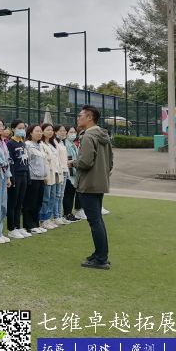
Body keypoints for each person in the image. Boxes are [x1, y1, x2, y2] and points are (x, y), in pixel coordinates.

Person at [70, 105, 113, 269]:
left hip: (88, 183)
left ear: (89, 117)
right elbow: (110, 162)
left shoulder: (88, 136)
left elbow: (86, 161)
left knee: (94, 221)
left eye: (80, 115)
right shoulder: (103, 135)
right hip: (100, 182)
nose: (78, 118)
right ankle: (100, 253)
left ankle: (101, 258)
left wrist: (72, 163)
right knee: (97, 220)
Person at [7, 120, 32, 239]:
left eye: (23, 128)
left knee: (20, 203)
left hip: (24, 175)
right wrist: (12, 177)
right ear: (13, 129)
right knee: (13, 202)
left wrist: (28, 176)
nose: (22, 130)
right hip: (16, 175)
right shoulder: (10, 144)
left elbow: (26, 162)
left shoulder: (23, 143)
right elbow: (10, 162)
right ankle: (11, 228)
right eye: (19, 128)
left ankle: (18, 226)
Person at [23, 124, 48, 234]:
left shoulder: (40, 145)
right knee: (30, 202)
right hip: (32, 178)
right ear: (30, 133)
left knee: (38, 202)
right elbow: (26, 162)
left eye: (40, 131)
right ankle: (29, 225)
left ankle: (36, 223)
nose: (39, 133)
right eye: (37, 131)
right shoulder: (27, 145)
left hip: (41, 178)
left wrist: (45, 176)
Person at [39, 123, 61, 230]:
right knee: (46, 198)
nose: (50, 132)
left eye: (51, 130)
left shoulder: (52, 144)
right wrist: (45, 175)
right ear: (42, 131)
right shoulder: (41, 144)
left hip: (56, 173)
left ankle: (48, 217)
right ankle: (43, 219)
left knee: (53, 196)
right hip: (48, 174)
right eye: (48, 130)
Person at [52, 125, 72, 226]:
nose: (63, 132)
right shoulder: (54, 143)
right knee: (57, 195)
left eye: (64, 131)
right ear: (55, 132)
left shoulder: (61, 142)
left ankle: (59, 215)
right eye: (61, 131)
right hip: (58, 172)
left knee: (61, 195)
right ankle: (56, 216)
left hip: (64, 171)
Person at [62, 127, 82, 221]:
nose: (73, 134)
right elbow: (69, 160)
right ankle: (67, 213)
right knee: (68, 194)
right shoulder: (65, 144)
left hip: (75, 173)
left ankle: (69, 213)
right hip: (69, 174)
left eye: (74, 132)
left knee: (71, 194)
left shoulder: (73, 144)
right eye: (71, 132)